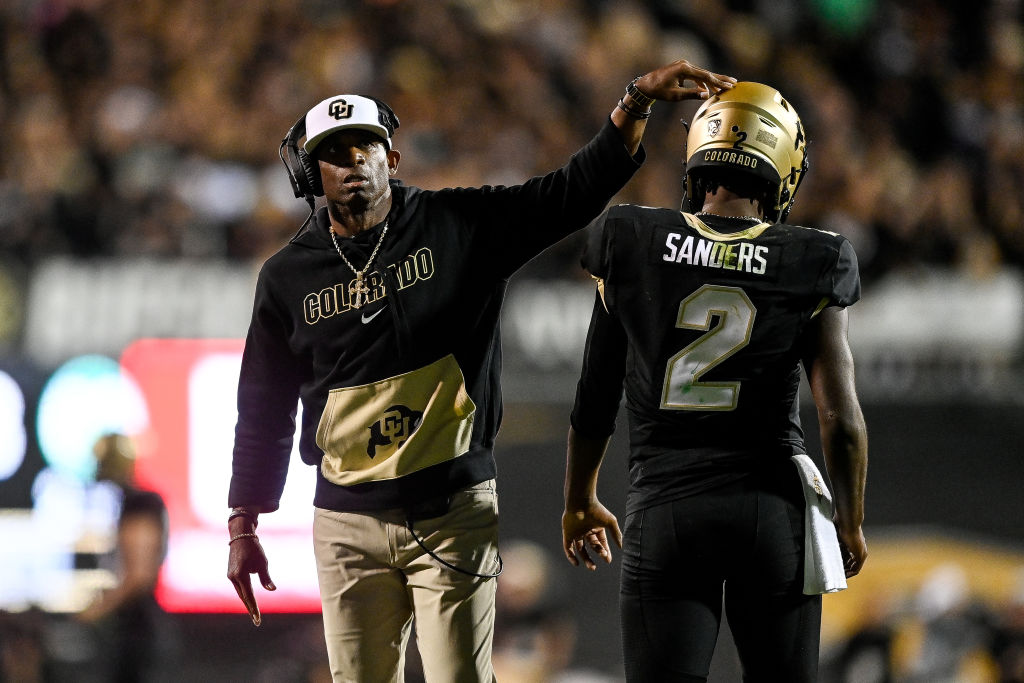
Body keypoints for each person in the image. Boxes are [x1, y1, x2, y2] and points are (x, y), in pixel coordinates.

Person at [225, 59, 738, 682]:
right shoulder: (285, 277)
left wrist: (633, 104)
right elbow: (263, 406)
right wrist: (244, 520)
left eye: (366, 144)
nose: (353, 159)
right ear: (309, 172)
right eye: (334, 151)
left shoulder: (459, 224)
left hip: (450, 510)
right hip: (347, 522)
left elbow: (569, 193)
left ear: (392, 157)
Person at [561, 81, 869, 682]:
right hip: (770, 509)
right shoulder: (814, 257)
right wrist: (851, 519)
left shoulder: (631, 239)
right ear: (782, 168)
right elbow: (841, 416)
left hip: (666, 509)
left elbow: (595, 394)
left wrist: (579, 499)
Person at [77, 433, 171, 683]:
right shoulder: (130, 503)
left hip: (138, 633)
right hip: (136, 631)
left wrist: (97, 611)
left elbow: (139, 576)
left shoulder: (140, 504)